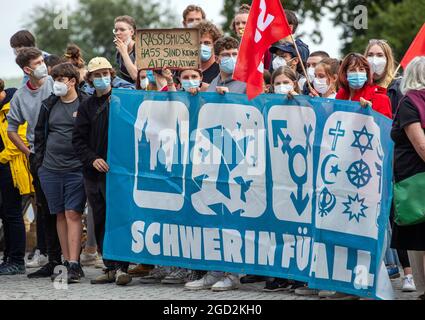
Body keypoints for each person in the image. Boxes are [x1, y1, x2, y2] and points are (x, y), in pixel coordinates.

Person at [185, 37, 246, 292]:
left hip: (237, 162)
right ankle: (213, 271)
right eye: (227, 53)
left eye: (235, 52)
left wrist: (232, 100)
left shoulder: (247, 85)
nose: (231, 57)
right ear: (218, 58)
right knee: (211, 215)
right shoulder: (209, 88)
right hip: (211, 160)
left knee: (232, 217)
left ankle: (232, 274)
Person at [73, 57, 132, 286]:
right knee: (100, 219)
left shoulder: (123, 100)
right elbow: (78, 140)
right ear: (89, 79)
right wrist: (92, 159)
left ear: (112, 75)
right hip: (94, 174)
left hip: (119, 173)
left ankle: (122, 267)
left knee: (120, 217)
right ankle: (109, 266)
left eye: (105, 73)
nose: (101, 78)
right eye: (96, 75)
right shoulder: (86, 106)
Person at [7, 48, 63, 279]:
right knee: (45, 209)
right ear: (27, 70)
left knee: (66, 209)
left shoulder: (54, 84)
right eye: (38, 62)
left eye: (43, 61)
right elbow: (12, 129)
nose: (43, 65)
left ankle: (71, 259)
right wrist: (28, 152)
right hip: (39, 157)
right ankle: (52, 258)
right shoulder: (20, 95)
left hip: (63, 153)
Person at [34, 63, 88, 284]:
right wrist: (39, 163)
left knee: (73, 213)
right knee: (59, 214)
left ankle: (75, 263)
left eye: (61, 78)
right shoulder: (49, 104)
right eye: (54, 78)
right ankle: (66, 262)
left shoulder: (85, 103)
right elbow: (39, 133)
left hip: (77, 169)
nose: (56, 82)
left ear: (72, 81)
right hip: (50, 169)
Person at [390, 56, 425, 301]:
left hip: (415, 180)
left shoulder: (408, 103)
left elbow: (421, 146)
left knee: (419, 239)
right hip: (417, 180)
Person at [0, 79, 33, 276]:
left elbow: (18, 140)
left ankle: (17, 259)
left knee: (12, 214)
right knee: (5, 213)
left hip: (12, 167)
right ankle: (8, 258)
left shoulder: (14, 104)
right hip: (2, 166)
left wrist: (1, 157)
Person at [336, 53, 392, 119]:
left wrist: (371, 112)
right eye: (352, 70)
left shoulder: (381, 99)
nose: (357, 73)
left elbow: (385, 127)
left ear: (367, 73)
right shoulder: (340, 96)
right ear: (345, 73)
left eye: (361, 69)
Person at [114, 16, 137, 83]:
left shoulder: (139, 48)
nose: (118, 33)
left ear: (132, 32)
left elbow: (136, 76)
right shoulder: (118, 53)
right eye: (116, 30)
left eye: (122, 30)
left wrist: (124, 53)